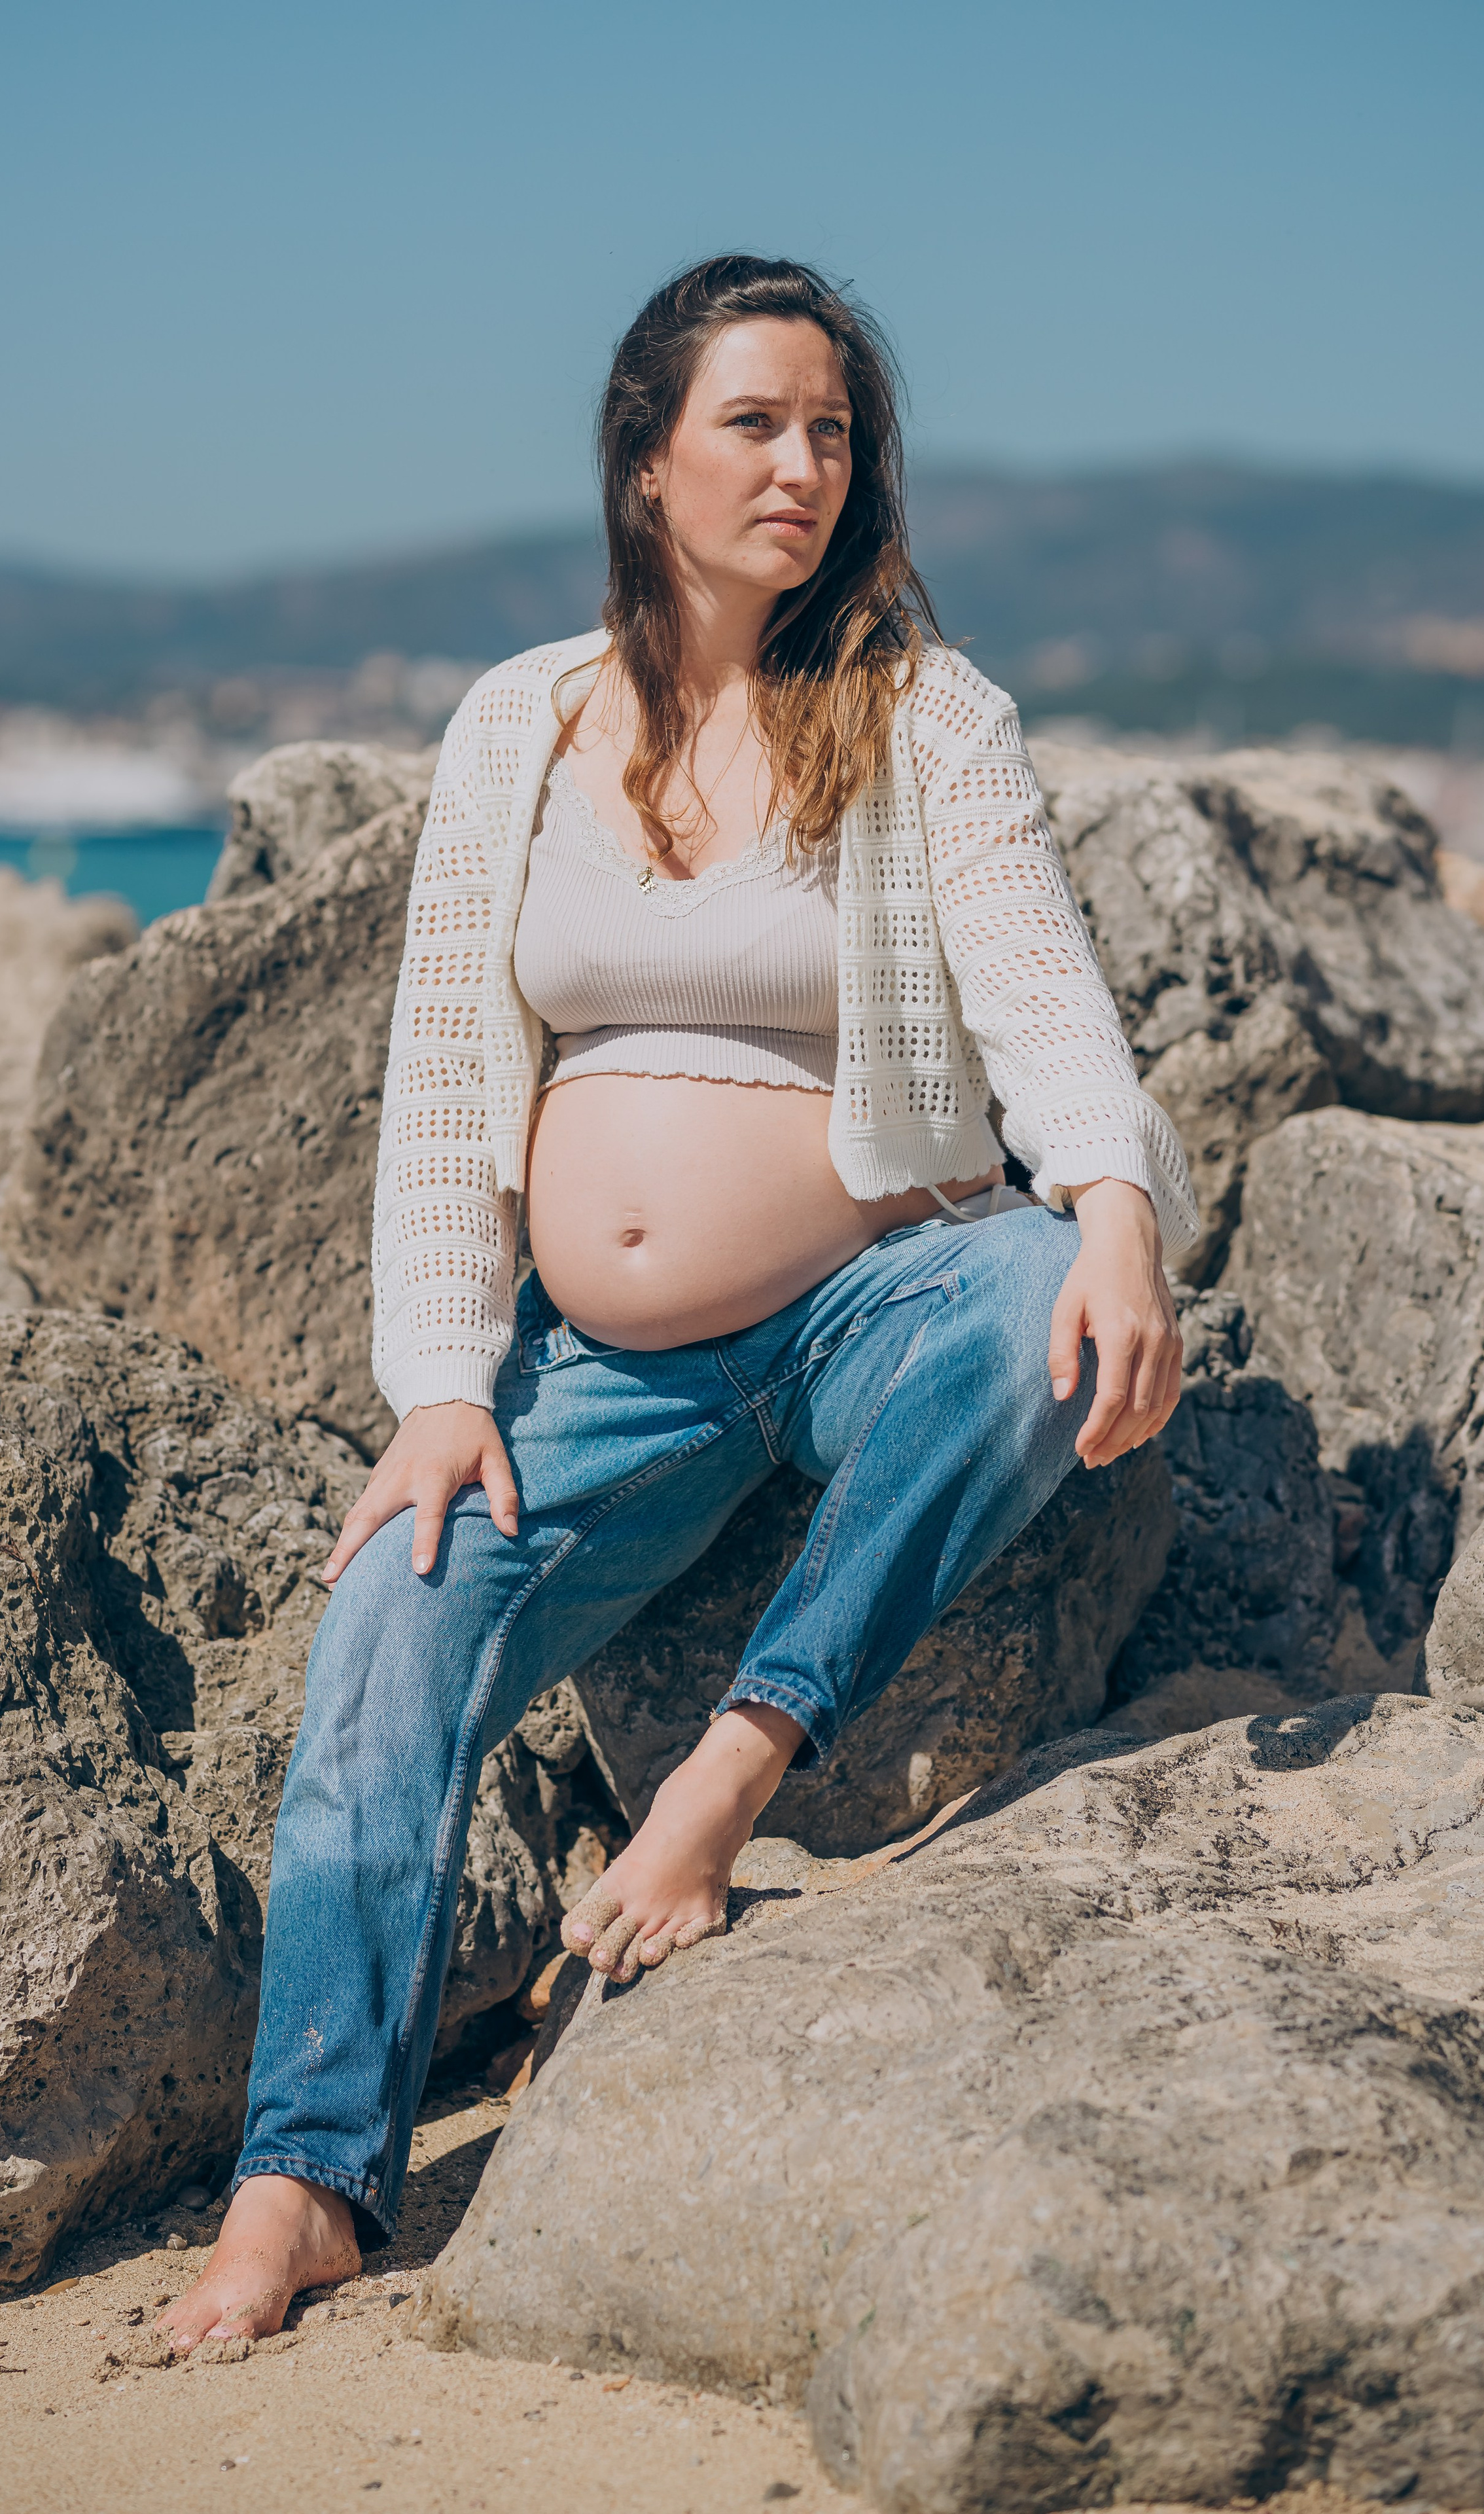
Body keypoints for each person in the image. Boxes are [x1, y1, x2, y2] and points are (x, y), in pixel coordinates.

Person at [161, 253, 1195, 2346]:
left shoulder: (925, 714)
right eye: (756, 424)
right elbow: (447, 1071)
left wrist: (1116, 1208)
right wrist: (443, 1379)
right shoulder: (522, 721)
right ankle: (307, 2179)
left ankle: (725, 1780)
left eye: (835, 431)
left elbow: (1042, 996)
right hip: (594, 1373)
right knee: (390, 1619)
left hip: (861, 1301)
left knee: (1028, 1295)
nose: (804, 465)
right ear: (645, 459)